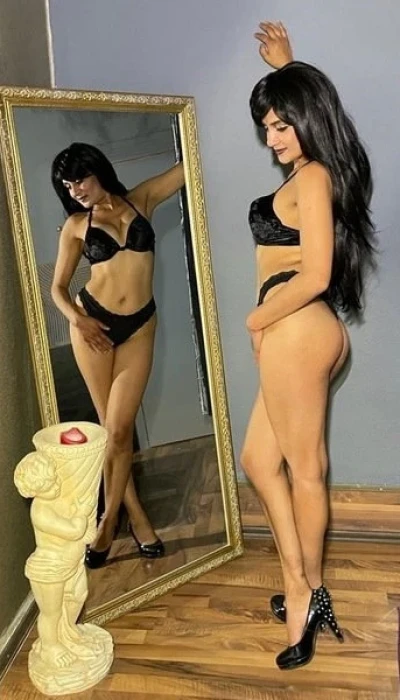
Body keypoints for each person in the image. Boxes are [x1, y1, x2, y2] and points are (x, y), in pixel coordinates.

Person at [241, 22, 376, 670]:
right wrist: (287, 69)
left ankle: (304, 592)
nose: (271, 138)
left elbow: (316, 273)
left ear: (306, 120)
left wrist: (258, 317)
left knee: (305, 470)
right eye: (266, 127)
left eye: (281, 125)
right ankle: (303, 581)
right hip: (291, 329)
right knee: (258, 460)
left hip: (298, 325)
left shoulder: (315, 174)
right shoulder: (306, 171)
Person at [51, 142, 185, 568]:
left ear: (98, 171)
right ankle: (128, 520)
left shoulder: (141, 199)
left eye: (80, 179)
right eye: (67, 185)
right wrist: (79, 319)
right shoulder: (76, 226)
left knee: (121, 427)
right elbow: (57, 288)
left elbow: (189, 166)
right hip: (95, 326)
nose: (75, 190)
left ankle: (110, 520)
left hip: (140, 325)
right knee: (113, 431)